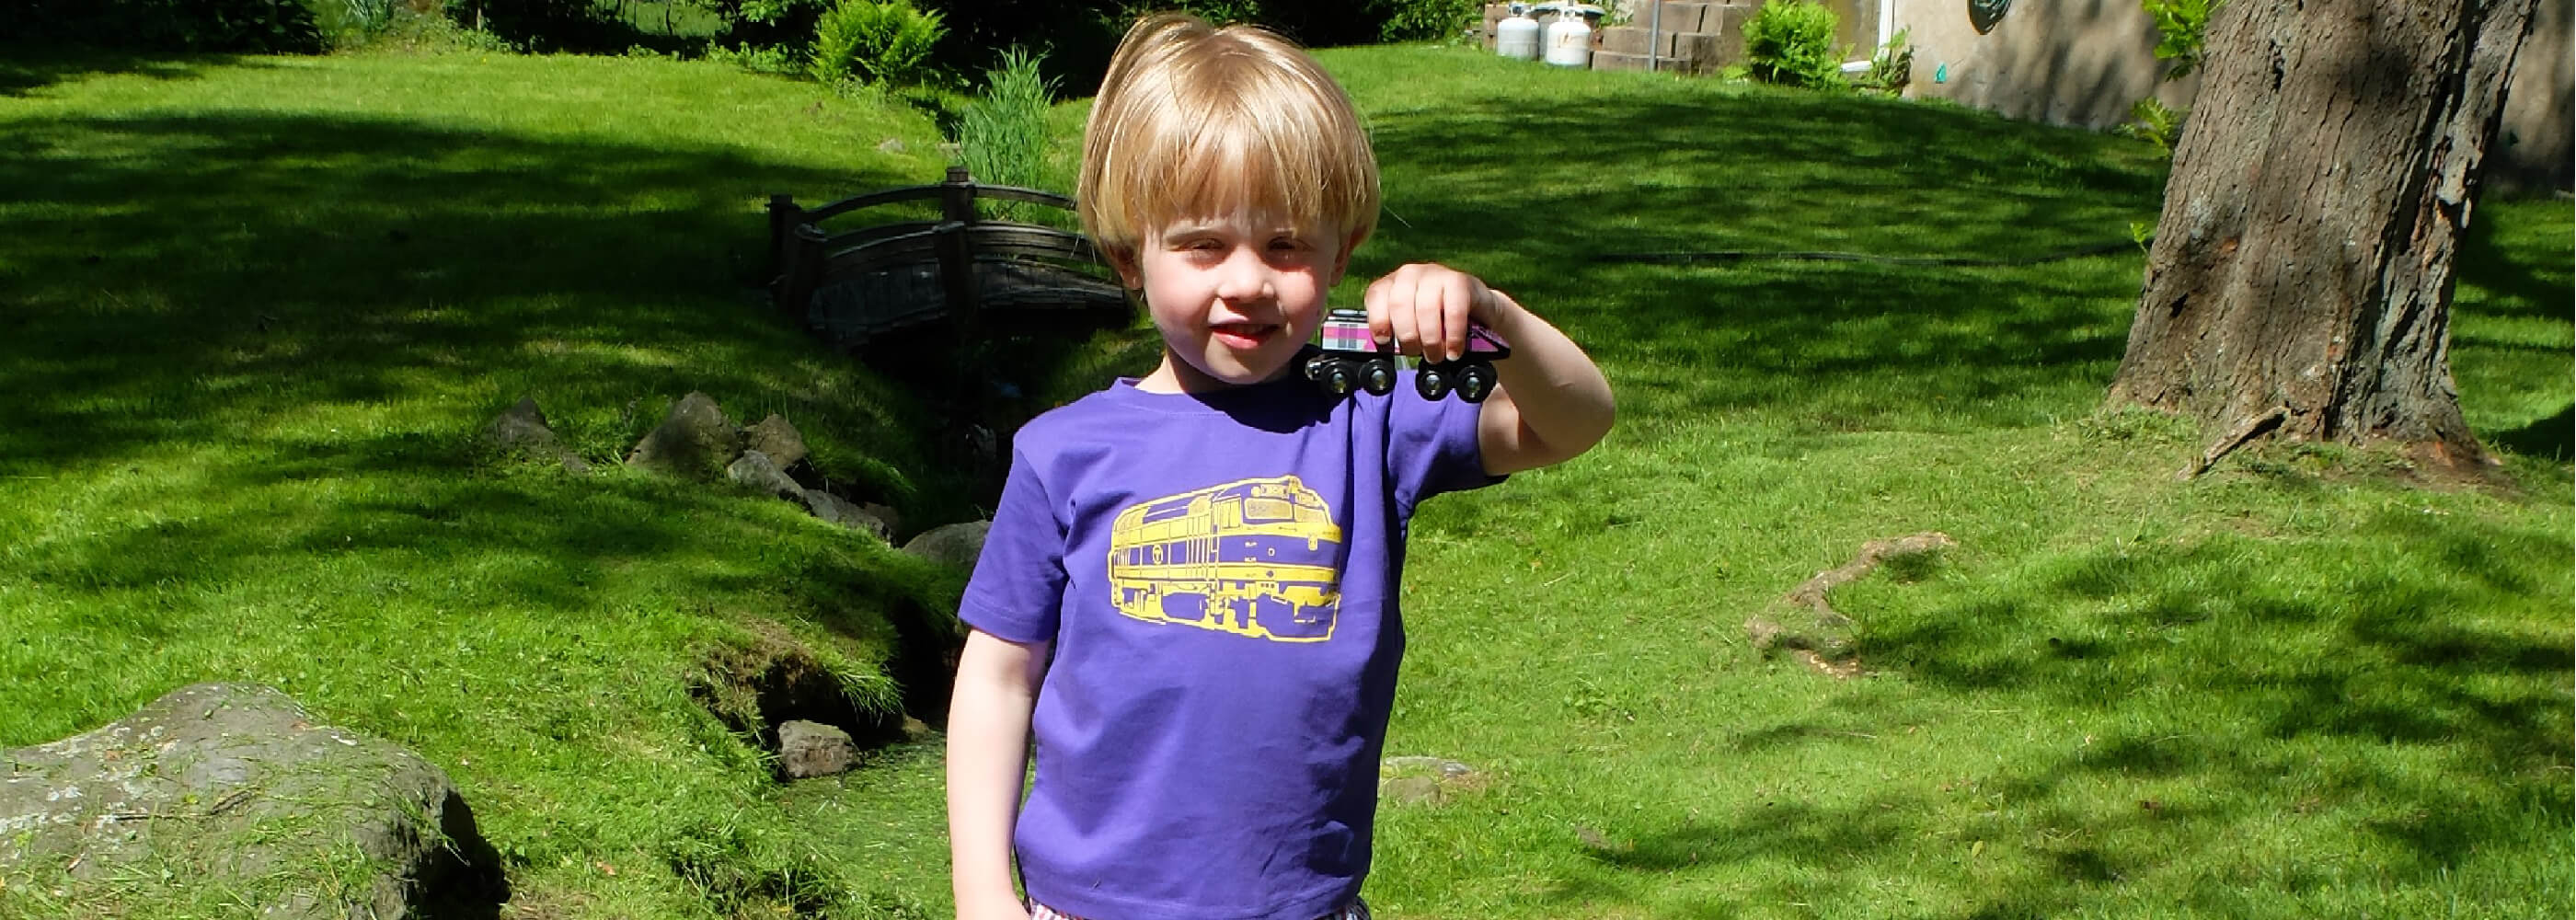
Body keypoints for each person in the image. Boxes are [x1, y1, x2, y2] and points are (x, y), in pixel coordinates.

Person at [945, 13, 1616, 920]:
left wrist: (1492, 317)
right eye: (1203, 244)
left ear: (1341, 255)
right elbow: (999, 677)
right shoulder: (1063, 451)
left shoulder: (1369, 416)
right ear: (1129, 257)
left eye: (1287, 245)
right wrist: (982, 892)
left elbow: (1575, 420)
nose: (1249, 281)